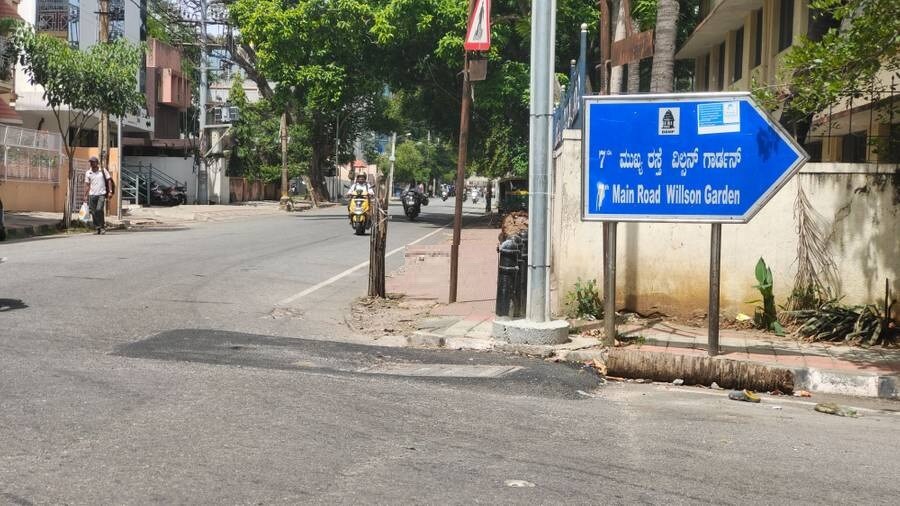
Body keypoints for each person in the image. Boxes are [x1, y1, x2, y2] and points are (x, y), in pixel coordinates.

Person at [84, 156, 113, 235]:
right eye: (90, 162)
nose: (91, 163)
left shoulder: (103, 171)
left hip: (101, 194)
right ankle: (97, 228)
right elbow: (87, 184)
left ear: (97, 163)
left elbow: (109, 180)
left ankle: (102, 227)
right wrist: (85, 195)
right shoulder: (88, 172)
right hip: (92, 194)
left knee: (99, 209)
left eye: (93, 162)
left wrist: (110, 191)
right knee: (93, 212)